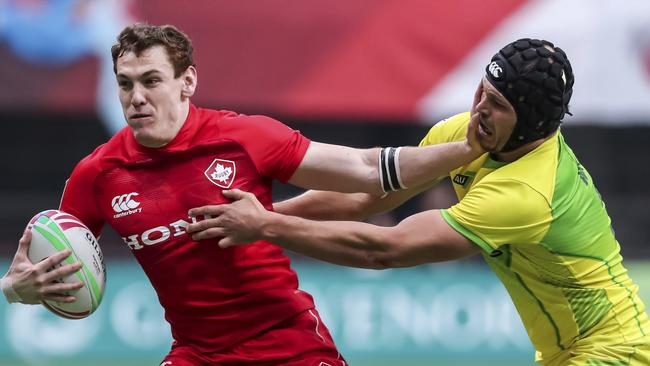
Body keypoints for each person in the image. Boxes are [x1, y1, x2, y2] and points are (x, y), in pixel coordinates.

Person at [0, 23, 486, 366]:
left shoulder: (245, 138)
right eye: (125, 84)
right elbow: (59, 268)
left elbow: (364, 168)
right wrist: (15, 291)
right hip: (196, 355)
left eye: (151, 81)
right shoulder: (97, 174)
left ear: (187, 81)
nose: (136, 97)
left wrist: (468, 148)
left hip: (289, 346)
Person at [185, 38, 650, 365]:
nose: (480, 109)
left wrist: (266, 228)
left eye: (498, 105)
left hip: (613, 349)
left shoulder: (529, 192)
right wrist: (261, 214)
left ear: (530, 125)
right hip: (568, 351)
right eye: (482, 92)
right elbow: (365, 196)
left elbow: (385, 249)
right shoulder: (465, 132)